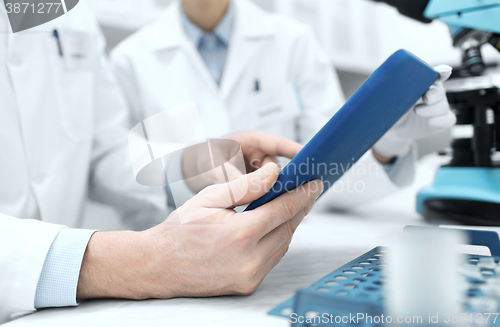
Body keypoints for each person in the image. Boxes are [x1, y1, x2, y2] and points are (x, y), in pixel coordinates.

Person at [0, 2, 322, 324]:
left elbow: (105, 154)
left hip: (62, 310)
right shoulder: (130, 52)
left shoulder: (73, 14)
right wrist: (147, 259)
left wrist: (192, 164)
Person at [111, 0, 456, 209]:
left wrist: (387, 142)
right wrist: (188, 170)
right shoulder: (131, 60)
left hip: (288, 245)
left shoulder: (293, 43)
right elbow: (115, 177)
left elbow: (328, 174)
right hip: (178, 253)